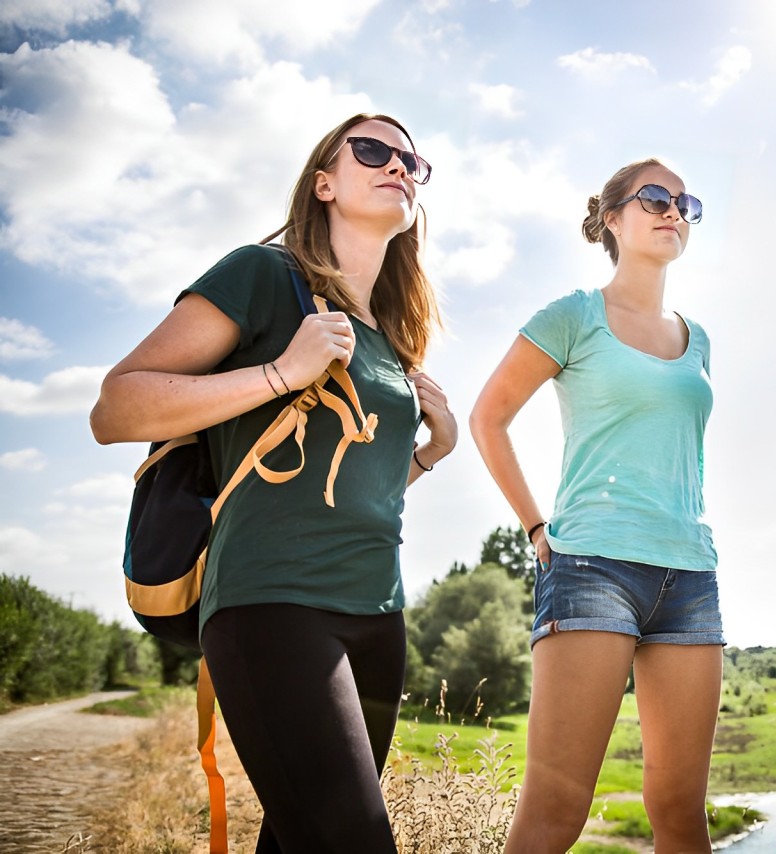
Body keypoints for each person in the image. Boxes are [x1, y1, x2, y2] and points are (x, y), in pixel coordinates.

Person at [90, 113, 455, 852]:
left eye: (414, 162)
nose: (399, 166)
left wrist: (429, 454)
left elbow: (340, 490)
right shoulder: (264, 277)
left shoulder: (390, 336)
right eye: (375, 150)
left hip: (379, 617)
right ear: (324, 182)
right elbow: (115, 407)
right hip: (271, 604)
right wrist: (282, 373)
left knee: (299, 841)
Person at [470, 158, 722, 853]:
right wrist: (534, 526)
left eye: (684, 201)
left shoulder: (697, 340)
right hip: (592, 568)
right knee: (557, 810)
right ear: (612, 218)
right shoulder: (573, 316)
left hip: (690, 576)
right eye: (653, 197)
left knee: (680, 809)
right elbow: (488, 418)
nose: (673, 210)